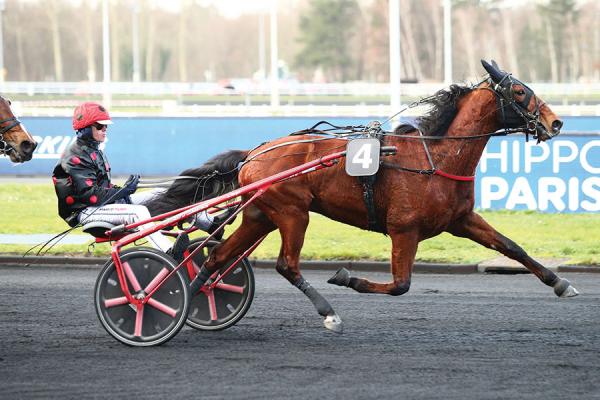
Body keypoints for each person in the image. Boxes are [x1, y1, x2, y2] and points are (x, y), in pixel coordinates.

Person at [52, 102, 228, 256]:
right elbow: (91, 196)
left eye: (106, 126)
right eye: (100, 126)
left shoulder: (93, 151)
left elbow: (102, 187)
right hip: (87, 211)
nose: (105, 129)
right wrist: (124, 190)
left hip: (103, 205)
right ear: (84, 129)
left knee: (165, 193)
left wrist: (123, 190)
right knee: (138, 212)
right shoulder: (75, 156)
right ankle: (169, 252)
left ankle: (211, 224)